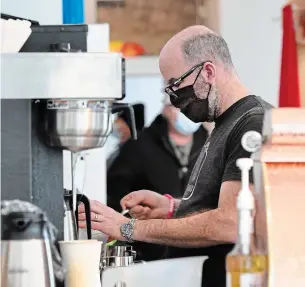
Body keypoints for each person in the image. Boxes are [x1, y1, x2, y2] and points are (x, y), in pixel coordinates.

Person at [79, 25, 273, 287]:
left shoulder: (251, 124)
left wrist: (127, 227)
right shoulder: (223, 124)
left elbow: (231, 221)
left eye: (176, 85)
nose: (174, 98)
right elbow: (220, 204)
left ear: (208, 71)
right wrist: (171, 208)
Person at [107, 96, 208, 261]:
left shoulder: (210, 144)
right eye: (183, 108)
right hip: (152, 250)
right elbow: (115, 190)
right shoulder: (139, 145)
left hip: (198, 249)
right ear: (166, 109)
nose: (190, 114)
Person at [107, 103, 145, 169]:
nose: (115, 127)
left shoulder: (134, 152)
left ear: (129, 126)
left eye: (118, 124)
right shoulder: (121, 149)